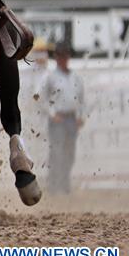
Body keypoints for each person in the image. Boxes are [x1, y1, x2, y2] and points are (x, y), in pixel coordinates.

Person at [38, 42, 85, 194]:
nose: (63, 58)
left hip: (71, 118)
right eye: (61, 55)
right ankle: (54, 186)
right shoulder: (50, 76)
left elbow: (81, 99)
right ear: (57, 57)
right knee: (57, 153)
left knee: (69, 154)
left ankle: (64, 185)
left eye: (65, 55)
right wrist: (52, 113)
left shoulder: (76, 77)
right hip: (58, 119)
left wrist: (80, 116)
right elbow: (39, 97)